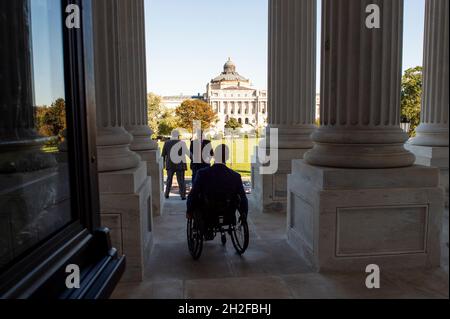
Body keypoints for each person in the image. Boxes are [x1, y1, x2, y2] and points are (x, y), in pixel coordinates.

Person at [186, 144, 248, 221]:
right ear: (227, 157)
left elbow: (193, 194)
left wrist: (189, 211)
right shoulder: (235, 176)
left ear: (214, 156)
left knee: (196, 196)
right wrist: (244, 214)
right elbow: (243, 198)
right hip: (228, 212)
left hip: (207, 212)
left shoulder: (202, 173)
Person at [161, 130, 188, 200]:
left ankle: (166, 194)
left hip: (170, 164)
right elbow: (188, 153)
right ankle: (183, 196)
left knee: (169, 180)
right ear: (178, 135)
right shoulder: (182, 143)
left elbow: (163, 155)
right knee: (181, 180)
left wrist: (163, 164)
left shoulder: (167, 143)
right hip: (180, 165)